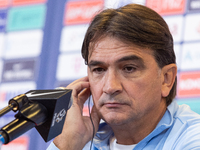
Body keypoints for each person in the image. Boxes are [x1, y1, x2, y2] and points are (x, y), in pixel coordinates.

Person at [47, 3, 200, 150]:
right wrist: (67, 143)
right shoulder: (79, 142)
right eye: (99, 70)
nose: (110, 87)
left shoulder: (193, 140)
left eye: (129, 68)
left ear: (166, 79)